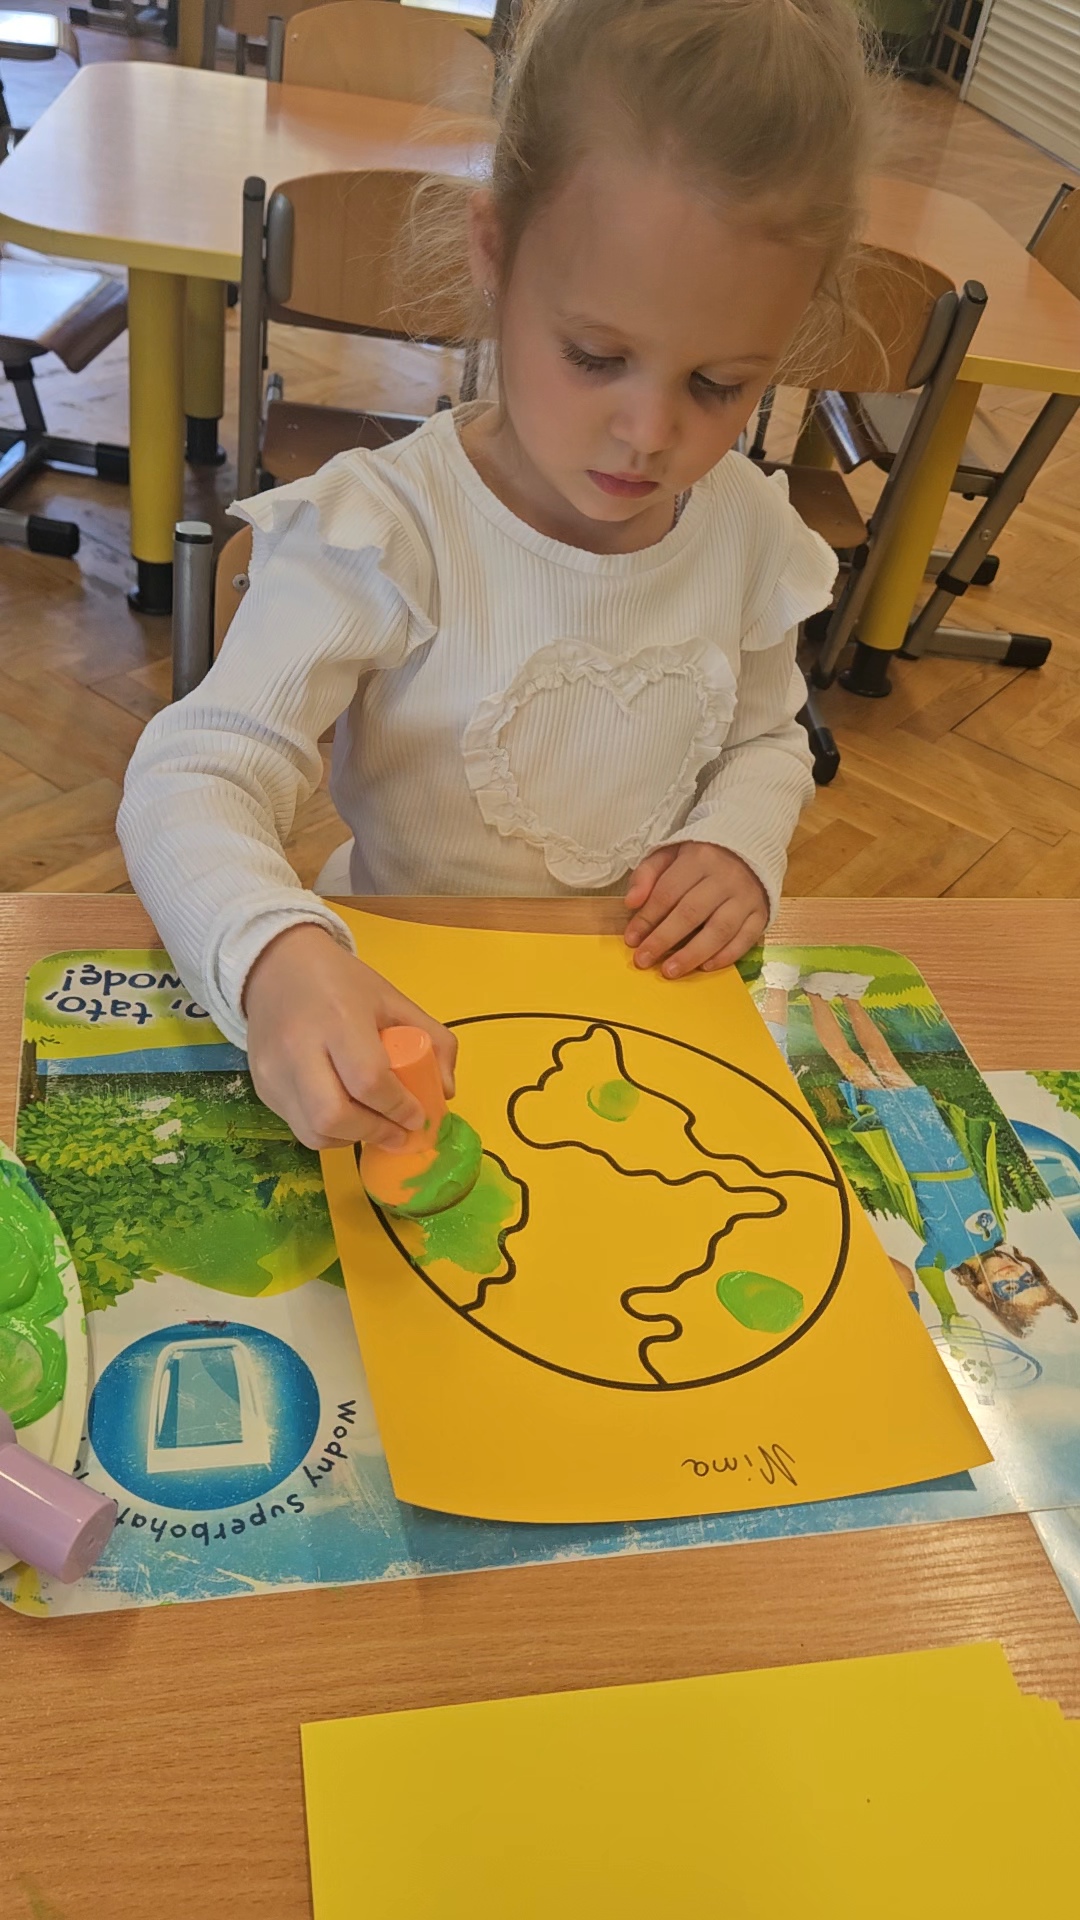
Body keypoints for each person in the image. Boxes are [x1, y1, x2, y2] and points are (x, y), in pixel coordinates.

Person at [119, 0, 877, 1153]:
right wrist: (273, 952)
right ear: (495, 252)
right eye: (596, 356)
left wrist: (738, 842)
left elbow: (770, 739)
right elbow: (192, 774)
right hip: (405, 1005)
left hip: (638, 1016)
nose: (648, 433)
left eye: (719, 384)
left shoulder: (747, 532)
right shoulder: (389, 531)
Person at [759, 964, 1078, 1339]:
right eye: (1029, 1280)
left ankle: (815, 996)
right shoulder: (998, 1232)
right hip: (939, 1139)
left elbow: (923, 1271)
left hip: (906, 1146)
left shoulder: (943, 1256)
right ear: (1033, 1269)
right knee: (887, 1062)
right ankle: (849, 998)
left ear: (982, 1292)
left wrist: (947, 1312)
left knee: (852, 1064)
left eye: (1010, 1289)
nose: (1015, 1276)